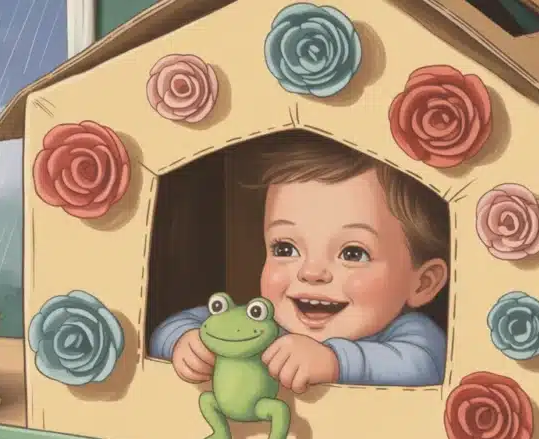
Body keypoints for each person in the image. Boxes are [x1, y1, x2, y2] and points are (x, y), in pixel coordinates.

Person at [148, 132, 450, 392]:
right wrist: (185, 342)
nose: (311, 272)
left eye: (352, 253)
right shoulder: (266, 325)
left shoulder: (413, 335)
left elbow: (423, 364)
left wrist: (333, 361)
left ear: (422, 282)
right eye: (286, 248)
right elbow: (180, 325)